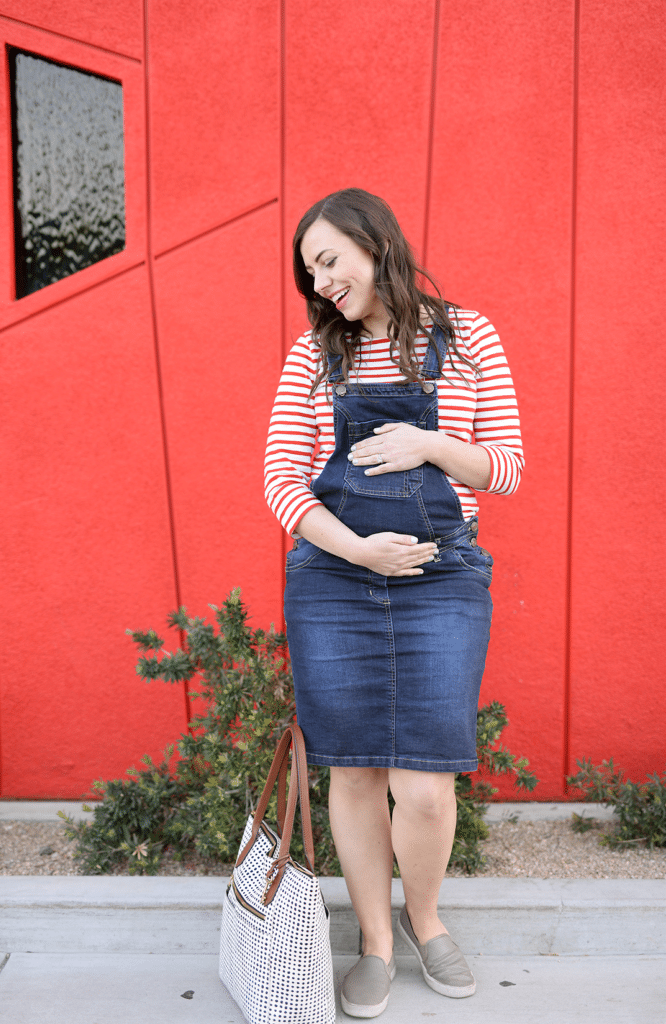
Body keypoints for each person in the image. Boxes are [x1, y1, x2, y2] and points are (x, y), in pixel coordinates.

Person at [264, 188, 523, 1018]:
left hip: (441, 578)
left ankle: (425, 918)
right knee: (353, 768)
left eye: (329, 259)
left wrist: (429, 445)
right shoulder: (315, 356)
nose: (321, 280)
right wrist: (355, 549)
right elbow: (278, 480)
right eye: (310, 270)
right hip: (336, 579)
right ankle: (375, 939)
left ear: (375, 243)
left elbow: (506, 468)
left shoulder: (467, 335)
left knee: (423, 784)